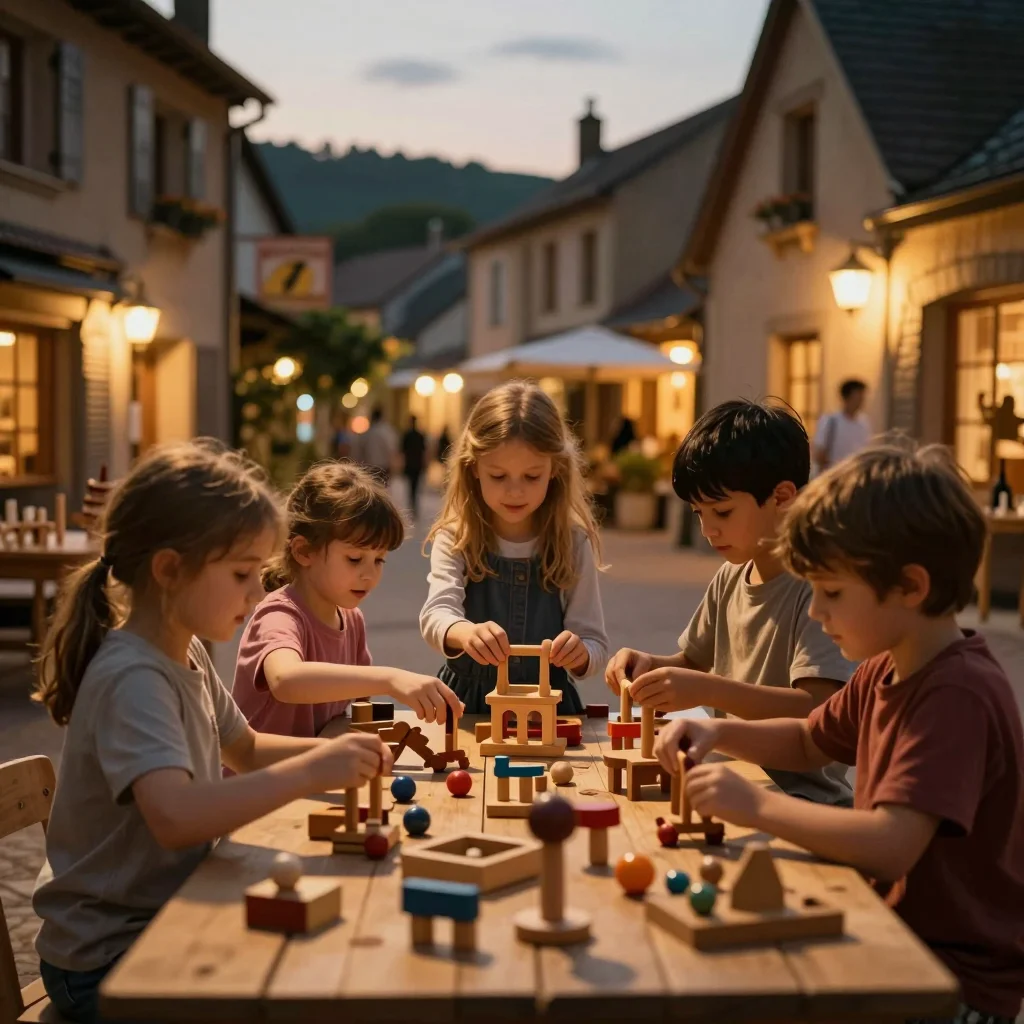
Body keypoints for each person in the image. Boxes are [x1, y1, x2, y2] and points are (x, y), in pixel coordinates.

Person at [654, 444, 1024, 1024]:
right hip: (892, 936)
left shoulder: (957, 693)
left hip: (949, 983)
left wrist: (753, 805)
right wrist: (713, 734)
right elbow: (808, 741)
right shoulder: (887, 666)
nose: (818, 614)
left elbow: (891, 844)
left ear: (910, 586)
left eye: (832, 593)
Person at [31, 441, 392, 1024]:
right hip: (109, 958)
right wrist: (312, 770)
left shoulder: (186, 649)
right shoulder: (133, 677)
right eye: (242, 573)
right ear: (170, 570)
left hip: (165, 914)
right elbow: (176, 818)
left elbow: (245, 748)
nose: (257, 594)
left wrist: (340, 754)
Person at [606, 399, 854, 806]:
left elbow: (817, 709)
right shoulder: (731, 575)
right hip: (728, 782)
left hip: (803, 799)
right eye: (698, 512)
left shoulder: (818, 588)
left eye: (721, 511)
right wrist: (648, 666)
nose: (707, 529)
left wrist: (709, 690)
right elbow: (691, 663)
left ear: (782, 496)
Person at [419, 380, 609, 714]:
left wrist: (580, 654)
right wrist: (465, 633)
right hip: (468, 703)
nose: (515, 492)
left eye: (531, 476)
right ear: (473, 467)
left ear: (556, 469)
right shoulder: (456, 536)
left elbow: (594, 642)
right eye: (498, 476)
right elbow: (436, 615)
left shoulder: (573, 541)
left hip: (549, 706)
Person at [233, 461, 462, 736]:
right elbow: (286, 680)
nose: (369, 574)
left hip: (318, 774)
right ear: (304, 551)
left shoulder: (351, 620)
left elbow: (358, 710)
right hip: (266, 778)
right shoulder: (279, 615)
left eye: (379, 560)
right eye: (355, 559)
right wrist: (391, 679)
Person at [813, 378, 870, 474]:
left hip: (855, 475)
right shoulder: (830, 421)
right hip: (833, 475)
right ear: (847, 397)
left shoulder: (863, 422)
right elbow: (819, 453)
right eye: (858, 395)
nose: (862, 399)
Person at [361, 405, 399, 486]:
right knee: (383, 487)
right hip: (383, 465)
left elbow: (362, 449)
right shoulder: (386, 431)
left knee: (373, 487)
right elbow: (391, 448)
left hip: (370, 464)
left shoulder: (368, 432)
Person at [401, 414, 427, 522]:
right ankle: (413, 505)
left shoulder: (407, 435)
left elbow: (402, 451)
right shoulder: (420, 435)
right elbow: (424, 451)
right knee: (415, 486)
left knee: (411, 486)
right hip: (417, 464)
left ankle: (412, 504)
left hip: (410, 464)